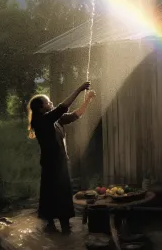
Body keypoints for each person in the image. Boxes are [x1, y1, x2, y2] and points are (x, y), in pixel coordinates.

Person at [27, 81, 96, 234]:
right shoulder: (42, 121)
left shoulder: (54, 119)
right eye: (47, 101)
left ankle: (61, 227)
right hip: (51, 165)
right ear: (41, 108)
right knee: (53, 192)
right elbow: (62, 107)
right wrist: (79, 88)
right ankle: (54, 226)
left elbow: (74, 115)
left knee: (62, 192)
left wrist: (87, 100)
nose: (50, 102)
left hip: (61, 162)